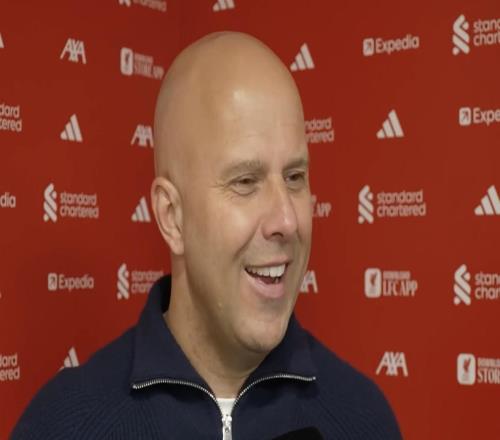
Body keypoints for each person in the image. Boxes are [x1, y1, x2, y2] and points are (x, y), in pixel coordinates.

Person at [12, 32, 401, 439]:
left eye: (294, 177)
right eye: (245, 181)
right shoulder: (67, 426)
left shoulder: (362, 419)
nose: (287, 219)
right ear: (172, 217)